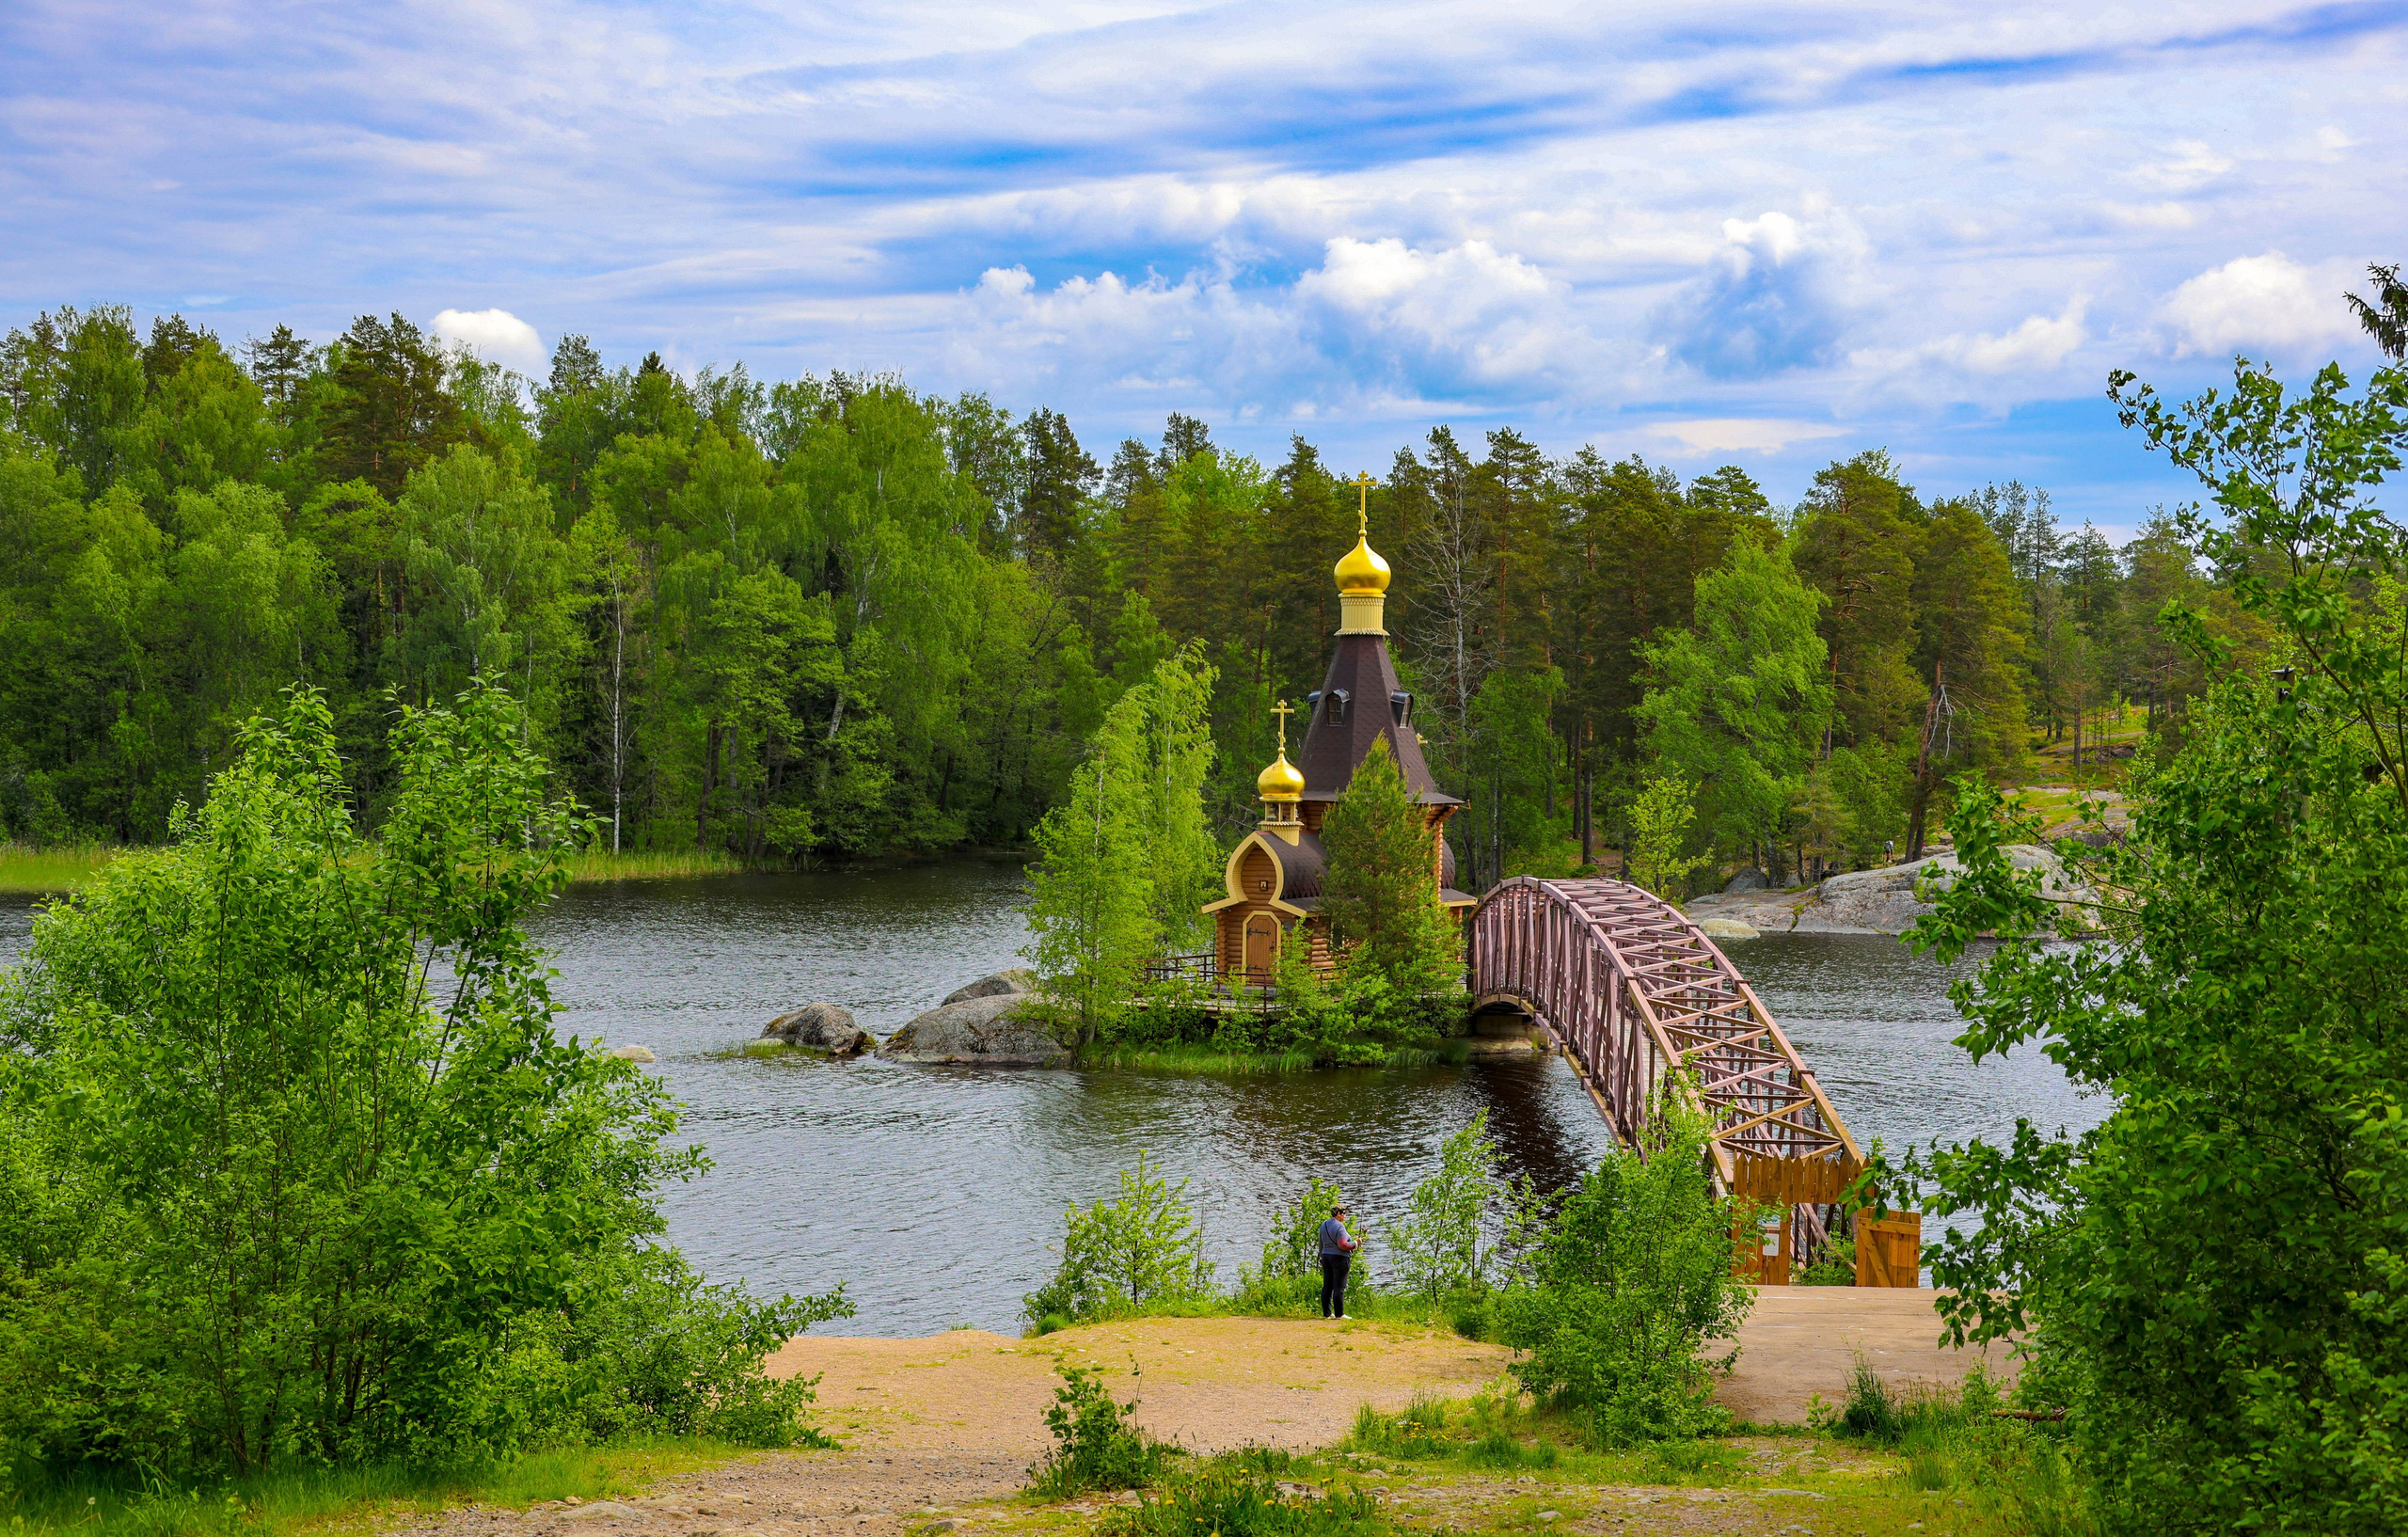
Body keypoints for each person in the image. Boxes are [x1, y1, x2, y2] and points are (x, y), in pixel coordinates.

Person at [1317, 1204, 1358, 1319]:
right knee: (1339, 1287)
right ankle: (1339, 1314)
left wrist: (1322, 1257)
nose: (1345, 1215)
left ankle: (1327, 1313)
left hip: (1326, 1257)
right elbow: (1343, 1245)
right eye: (1344, 1213)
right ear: (1338, 1214)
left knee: (1327, 1286)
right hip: (1339, 1259)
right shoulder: (1340, 1227)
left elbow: (1321, 1244)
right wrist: (1356, 1243)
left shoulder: (1324, 1224)